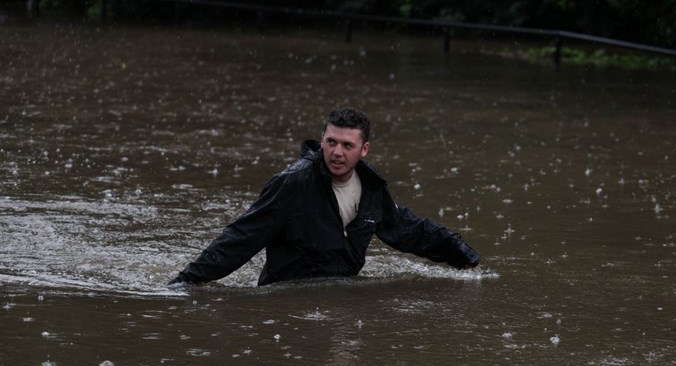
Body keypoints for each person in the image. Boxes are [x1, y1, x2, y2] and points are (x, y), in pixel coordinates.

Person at [169, 108, 480, 287]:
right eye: (331, 142)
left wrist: (461, 255)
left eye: (347, 145)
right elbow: (242, 237)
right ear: (322, 141)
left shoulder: (371, 188)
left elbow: (405, 228)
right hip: (287, 299)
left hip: (341, 300)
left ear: (364, 149)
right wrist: (187, 282)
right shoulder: (292, 184)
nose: (337, 152)